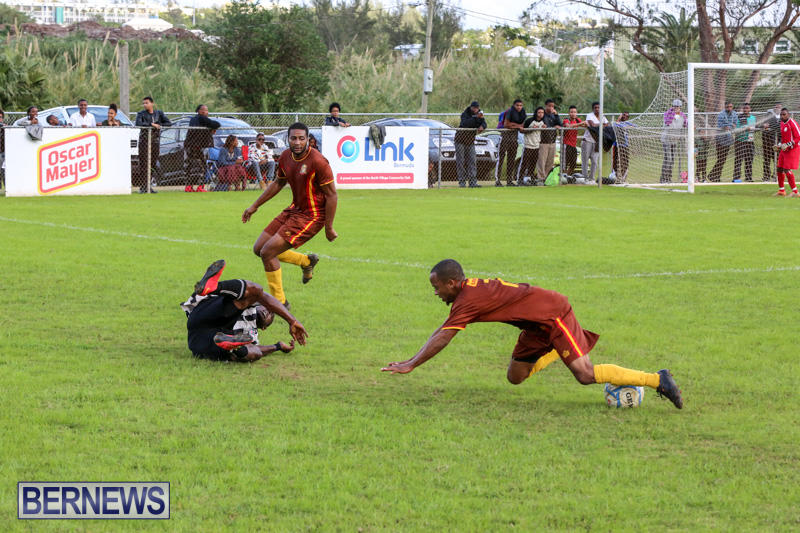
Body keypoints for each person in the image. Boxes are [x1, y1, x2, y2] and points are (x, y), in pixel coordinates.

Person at [381, 259, 684, 410]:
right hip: (534, 326)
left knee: (584, 374)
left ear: (451, 283)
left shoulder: (468, 300)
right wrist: (410, 360)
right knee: (515, 377)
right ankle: (556, 350)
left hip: (553, 314)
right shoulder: (465, 295)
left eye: (436, 287)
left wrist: (412, 365)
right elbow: (442, 331)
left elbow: (444, 338)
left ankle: (658, 379)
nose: (435, 292)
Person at [242, 122, 338, 307]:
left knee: (268, 253)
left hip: (312, 216)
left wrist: (329, 227)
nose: (297, 142)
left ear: (308, 140)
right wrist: (255, 206)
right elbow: (279, 183)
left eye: (301, 138)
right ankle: (306, 261)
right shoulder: (286, 156)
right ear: (288, 139)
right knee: (259, 248)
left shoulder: (318, 161)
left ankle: (279, 304)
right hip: (294, 209)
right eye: (293, 138)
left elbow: (332, 195)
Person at [182, 259, 307, 362]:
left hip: (206, 341)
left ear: (264, 327)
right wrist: (292, 321)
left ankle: (233, 346)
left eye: (270, 316)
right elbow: (264, 296)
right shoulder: (250, 303)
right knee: (256, 290)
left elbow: (257, 349)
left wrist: (277, 346)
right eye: (269, 309)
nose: (268, 312)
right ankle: (213, 287)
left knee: (255, 352)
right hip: (203, 316)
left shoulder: (251, 334)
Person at [135, 96, 172, 194]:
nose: (145, 105)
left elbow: (169, 123)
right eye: (143, 103)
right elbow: (138, 124)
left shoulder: (159, 113)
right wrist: (151, 124)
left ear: (152, 103)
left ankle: (148, 186)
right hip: (144, 142)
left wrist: (159, 125)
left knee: (152, 164)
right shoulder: (141, 114)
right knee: (144, 164)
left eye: (147, 103)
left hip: (155, 142)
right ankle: (143, 187)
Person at [184, 104, 221, 193]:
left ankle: (189, 187)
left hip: (191, 146)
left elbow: (212, 125)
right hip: (198, 147)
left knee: (190, 167)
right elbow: (216, 124)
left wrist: (210, 128)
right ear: (199, 111)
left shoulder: (195, 119)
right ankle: (200, 187)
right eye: (204, 110)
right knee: (202, 167)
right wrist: (211, 127)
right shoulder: (201, 118)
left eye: (207, 110)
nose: (206, 112)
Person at [455, 100, 487, 188]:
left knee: (472, 161)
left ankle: (473, 182)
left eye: (477, 108)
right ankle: (462, 182)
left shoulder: (479, 114)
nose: (476, 109)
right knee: (461, 161)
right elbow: (466, 124)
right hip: (460, 140)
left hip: (470, 141)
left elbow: (484, 123)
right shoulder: (465, 114)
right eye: (474, 108)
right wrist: (476, 117)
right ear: (471, 107)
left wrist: (482, 126)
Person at [496, 99, 526, 186]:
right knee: (501, 158)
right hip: (505, 136)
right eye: (517, 105)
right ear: (514, 105)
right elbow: (506, 125)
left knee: (511, 159)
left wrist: (514, 125)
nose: (519, 107)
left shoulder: (522, 113)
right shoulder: (510, 111)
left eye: (521, 105)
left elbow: (523, 125)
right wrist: (517, 126)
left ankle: (509, 180)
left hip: (514, 137)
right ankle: (497, 180)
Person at [708, 101, 737, 182]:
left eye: (731, 107)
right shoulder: (721, 114)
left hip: (728, 139)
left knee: (723, 160)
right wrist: (728, 126)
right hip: (720, 139)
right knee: (720, 159)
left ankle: (715, 176)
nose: (729, 108)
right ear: (725, 107)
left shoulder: (734, 114)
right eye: (728, 107)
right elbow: (721, 125)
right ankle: (712, 176)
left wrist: (729, 126)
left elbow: (735, 124)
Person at [774, 107, 800, 197]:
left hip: (793, 149)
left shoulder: (792, 123)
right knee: (779, 168)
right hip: (784, 149)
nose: (782, 116)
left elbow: (798, 137)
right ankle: (781, 190)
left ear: (788, 115)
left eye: (784, 114)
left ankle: (795, 192)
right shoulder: (782, 123)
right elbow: (784, 138)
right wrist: (779, 145)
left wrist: (788, 144)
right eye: (781, 114)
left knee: (786, 169)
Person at [660, 99, 686, 183]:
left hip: (674, 140)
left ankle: (668, 178)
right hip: (667, 139)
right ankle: (663, 178)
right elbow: (668, 123)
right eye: (675, 106)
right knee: (668, 159)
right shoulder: (668, 114)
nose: (676, 108)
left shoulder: (682, 116)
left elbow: (685, 124)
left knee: (672, 160)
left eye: (678, 107)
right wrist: (673, 114)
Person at [580, 102, 606, 183]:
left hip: (597, 142)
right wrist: (602, 124)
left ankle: (592, 178)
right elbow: (592, 125)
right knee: (585, 160)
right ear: (593, 109)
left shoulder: (602, 116)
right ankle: (585, 178)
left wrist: (600, 125)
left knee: (594, 161)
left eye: (598, 107)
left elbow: (607, 124)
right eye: (595, 107)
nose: (597, 109)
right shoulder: (589, 115)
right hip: (587, 141)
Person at [538, 99, 563, 182]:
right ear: (546, 106)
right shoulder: (542, 115)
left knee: (550, 161)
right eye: (549, 106)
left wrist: (556, 115)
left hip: (552, 141)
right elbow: (545, 125)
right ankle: (541, 178)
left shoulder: (553, 115)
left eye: (553, 106)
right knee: (542, 161)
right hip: (543, 142)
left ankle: (547, 178)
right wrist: (553, 127)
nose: (551, 108)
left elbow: (560, 124)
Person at [519, 106, 544, 185]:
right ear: (536, 113)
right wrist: (531, 129)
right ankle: (519, 179)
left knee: (533, 164)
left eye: (542, 112)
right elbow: (522, 131)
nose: (541, 114)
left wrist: (544, 128)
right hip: (528, 145)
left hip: (536, 146)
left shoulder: (543, 122)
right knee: (524, 163)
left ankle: (529, 179)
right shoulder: (530, 121)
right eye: (539, 112)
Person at [733, 102, 756, 182]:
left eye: (747, 108)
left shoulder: (753, 118)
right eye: (744, 108)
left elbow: (755, 127)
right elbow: (736, 128)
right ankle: (736, 178)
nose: (745, 109)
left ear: (750, 109)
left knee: (749, 160)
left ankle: (748, 178)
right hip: (740, 141)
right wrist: (745, 128)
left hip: (750, 141)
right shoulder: (739, 117)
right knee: (738, 160)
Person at [561, 105, 584, 178]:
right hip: (566, 144)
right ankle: (562, 177)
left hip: (573, 145)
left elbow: (585, 125)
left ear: (576, 113)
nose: (573, 113)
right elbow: (568, 126)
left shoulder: (577, 120)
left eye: (574, 112)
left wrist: (586, 123)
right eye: (571, 112)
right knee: (565, 163)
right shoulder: (566, 120)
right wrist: (580, 124)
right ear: (569, 113)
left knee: (573, 164)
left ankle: (567, 176)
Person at [761, 103, 781, 182]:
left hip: (778, 143)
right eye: (776, 107)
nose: (777, 108)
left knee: (778, 160)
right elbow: (761, 125)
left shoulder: (782, 117)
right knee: (766, 160)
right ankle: (766, 176)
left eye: (779, 107)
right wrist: (764, 125)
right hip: (767, 143)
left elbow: (779, 128)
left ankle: (776, 176)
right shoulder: (768, 116)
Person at [612, 111, 633, 183]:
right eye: (624, 115)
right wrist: (619, 118)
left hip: (625, 145)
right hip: (617, 145)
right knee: (616, 162)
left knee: (625, 162)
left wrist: (630, 127)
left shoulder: (627, 123)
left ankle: (623, 178)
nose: (625, 117)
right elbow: (615, 125)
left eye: (627, 116)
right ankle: (615, 177)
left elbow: (635, 126)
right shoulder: (617, 123)